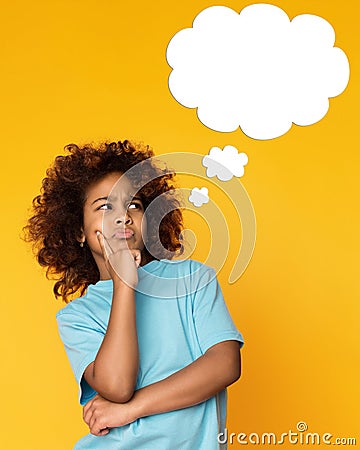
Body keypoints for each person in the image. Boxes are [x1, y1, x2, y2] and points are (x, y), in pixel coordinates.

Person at [23, 140, 244, 449]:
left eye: (134, 205)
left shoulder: (192, 278)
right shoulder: (77, 316)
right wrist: (124, 283)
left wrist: (130, 410)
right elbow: (117, 386)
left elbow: (225, 365)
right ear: (79, 232)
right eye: (104, 206)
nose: (123, 216)